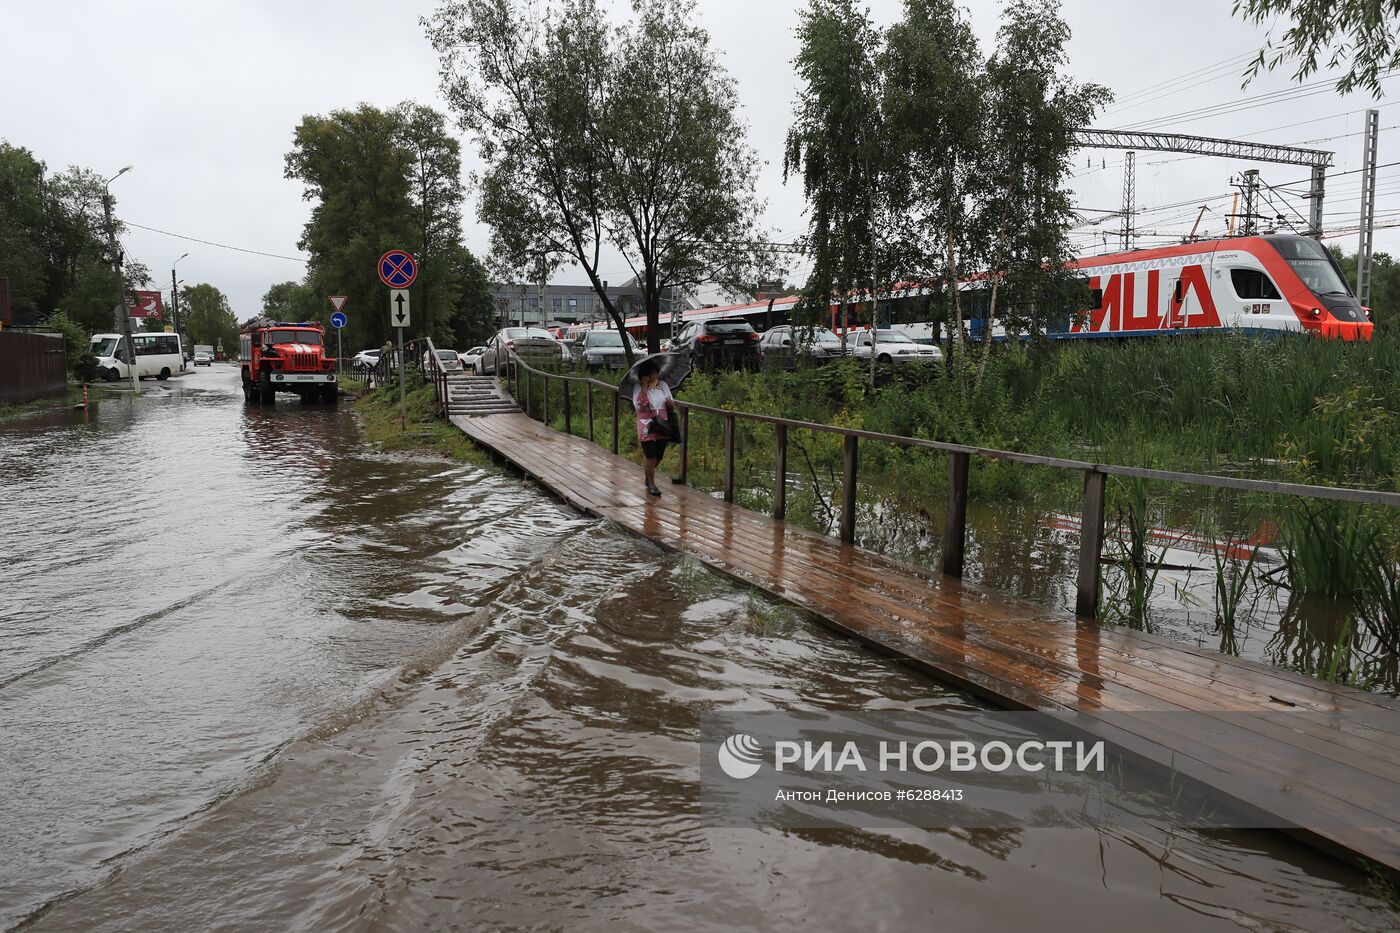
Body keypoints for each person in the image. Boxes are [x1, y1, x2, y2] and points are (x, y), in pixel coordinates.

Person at [632, 359, 677, 497]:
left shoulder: (663, 385)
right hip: (646, 423)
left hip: (662, 423)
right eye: (650, 374)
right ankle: (652, 484)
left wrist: (670, 403)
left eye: (655, 373)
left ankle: (648, 474)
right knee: (650, 454)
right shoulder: (638, 388)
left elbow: (671, 403)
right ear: (644, 375)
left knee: (659, 455)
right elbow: (639, 406)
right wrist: (645, 389)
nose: (653, 377)